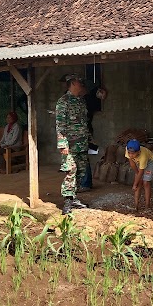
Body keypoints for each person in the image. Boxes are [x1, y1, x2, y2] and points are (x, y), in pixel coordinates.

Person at [56, 74, 90, 214]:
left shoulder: (80, 101)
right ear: (73, 83)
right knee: (70, 171)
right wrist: (62, 144)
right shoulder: (63, 101)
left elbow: (83, 122)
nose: (81, 84)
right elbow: (60, 124)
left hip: (82, 142)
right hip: (69, 144)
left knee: (81, 171)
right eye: (79, 82)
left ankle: (74, 198)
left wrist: (89, 138)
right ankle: (68, 203)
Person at [125, 139, 153, 211]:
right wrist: (136, 173)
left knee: (146, 183)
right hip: (138, 162)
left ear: (138, 152)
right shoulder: (127, 150)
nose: (131, 155)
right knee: (139, 183)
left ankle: (147, 206)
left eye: (133, 153)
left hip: (149, 162)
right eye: (129, 153)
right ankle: (136, 206)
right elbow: (132, 163)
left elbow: (141, 172)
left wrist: (134, 184)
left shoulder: (143, 156)